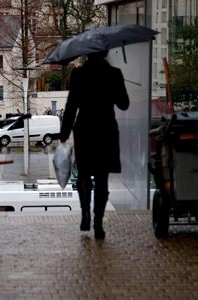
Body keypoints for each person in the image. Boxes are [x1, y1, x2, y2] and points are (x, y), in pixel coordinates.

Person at [59, 50, 130, 239]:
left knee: (83, 174)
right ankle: (98, 221)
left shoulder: (79, 74)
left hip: (85, 130)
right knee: (102, 178)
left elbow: (71, 104)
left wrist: (64, 133)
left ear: (87, 54)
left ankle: (85, 213)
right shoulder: (114, 74)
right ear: (106, 52)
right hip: (106, 130)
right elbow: (124, 104)